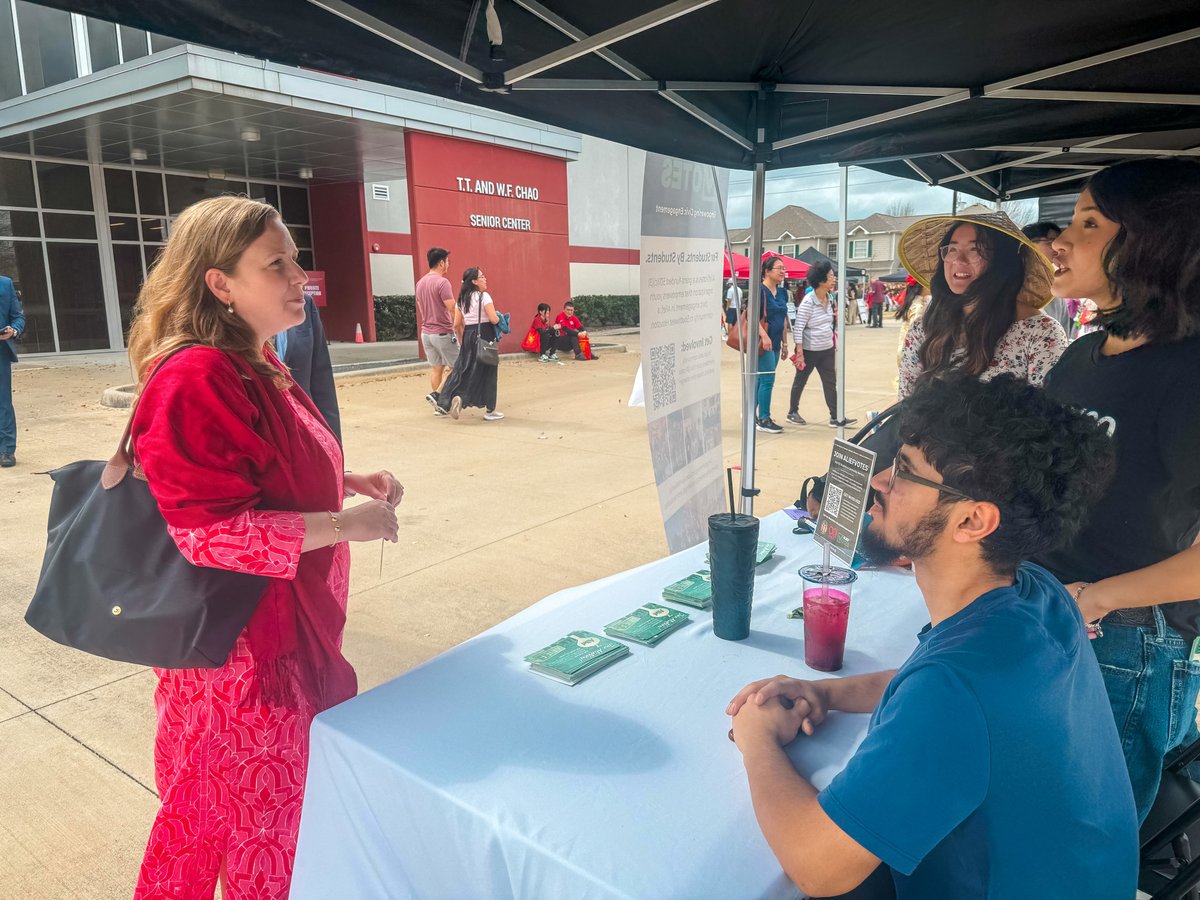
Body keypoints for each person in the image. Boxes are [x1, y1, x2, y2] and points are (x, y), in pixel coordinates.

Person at [727, 374, 1136, 899]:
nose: (880, 481)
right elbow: (932, 685)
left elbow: (818, 867)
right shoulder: (1036, 591)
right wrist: (826, 693)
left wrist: (756, 738)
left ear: (971, 521)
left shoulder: (959, 686)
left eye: (904, 471)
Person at [124, 195, 403, 898]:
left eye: (295, 260)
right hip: (244, 665)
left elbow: (264, 469)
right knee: (263, 832)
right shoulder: (195, 376)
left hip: (279, 643)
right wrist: (345, 524)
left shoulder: (255, 360)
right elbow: (208, 533)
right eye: (275, 264)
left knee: (276, 821)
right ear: (220, 283)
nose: (299, 277)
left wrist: (343, 479)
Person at [1033, 159, 1200, 824]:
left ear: (1150, 241)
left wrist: (1097, 597)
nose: (1060, 242)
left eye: (1089, 224)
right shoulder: (1081, 356)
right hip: (1047, 612)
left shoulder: (1188, 372)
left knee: (1078, 842)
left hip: (1123, 645)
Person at [896, 211, 1067, 400]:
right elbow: (905, 404)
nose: (959, 260)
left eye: (975, 250)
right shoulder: (924, 329)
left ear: (1003, 262)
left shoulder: (1040, 333)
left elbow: (1051, 412)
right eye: (952, 249)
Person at [787, 261, 857, 429]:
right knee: (800, 380)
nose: (834, 279)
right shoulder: (808, 302)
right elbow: (798, 327)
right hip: (810, 350)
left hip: (827, 348)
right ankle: (792, 412)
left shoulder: (830, 298)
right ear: (820, 280)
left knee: (830, 382)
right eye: (830, 276)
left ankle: (835, 416)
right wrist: (799, 351)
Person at [436, 267, 504, 421]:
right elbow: (493, 319)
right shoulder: (484, 296)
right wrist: (500, 319)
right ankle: (490, 410)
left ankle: (459, 397)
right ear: (474, 281)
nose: (485, 279)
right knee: (488, 372)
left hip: (468, 335)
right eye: (482, 276)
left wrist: (465, 339)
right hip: (485, 335)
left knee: (465, 369)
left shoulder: (461, 299)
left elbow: (456, 323)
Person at [276, 293, 340, 442]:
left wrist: (333, 443)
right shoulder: (232, 306)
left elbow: (321, 383)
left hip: (304, 434)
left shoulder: (304, 303)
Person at [415, 247, 461, 410]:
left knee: (437, 369)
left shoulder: (420, 283)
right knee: (458, 366)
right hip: (442, 333)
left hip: (426, 334)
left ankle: (438, 406)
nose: (448, 264)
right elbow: (452, 308)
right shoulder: (442, 282)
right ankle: (438, 396)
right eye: (447, 261)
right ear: (441, 263)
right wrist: (460, 326)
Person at [753, 256, 790, 434]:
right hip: (762, 343)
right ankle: (764, 419)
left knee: (762, 379)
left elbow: (783, 319)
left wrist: (785, 343)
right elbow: (752, 317)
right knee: (767, 379)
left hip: (775, 342)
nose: (783, 271)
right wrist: (764, 335)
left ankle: (751, 413)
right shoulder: (759, 291)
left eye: (784, 268)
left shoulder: (782, 293)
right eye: (779, 268)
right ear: (767, 271)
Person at [1021, 222, 1074, 335]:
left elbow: (1063, 334)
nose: (1057, 248)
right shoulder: (1011, 282)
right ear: (1027, 243)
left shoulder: (1056, 291)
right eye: (1051, 241)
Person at [0, 274, 25, 468]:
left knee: (3, 403)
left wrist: (13, 330)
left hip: (0, 352)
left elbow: (18, 317)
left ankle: (7, 450)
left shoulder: (5, 284)